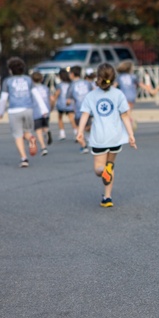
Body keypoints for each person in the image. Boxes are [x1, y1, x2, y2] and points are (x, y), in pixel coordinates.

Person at [76, 63, 137, 208]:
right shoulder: (118, 94)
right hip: (115, 137)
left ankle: (104, 171)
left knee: (99, 168)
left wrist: (79, 132)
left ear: (98, 78)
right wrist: (131, 134)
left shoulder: (91, 96)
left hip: (99, 138)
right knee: (111, 165)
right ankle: (107, 197)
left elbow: (85, 115)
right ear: (113, 78)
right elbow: (125, 116)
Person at [0, 57, 39, 167]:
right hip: (28, 109)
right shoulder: (28, 80)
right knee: (27, 132)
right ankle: (31, 138)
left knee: (18, 135)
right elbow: (36, 94)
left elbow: (3, 98)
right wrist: (43, 109)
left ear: (10, 70)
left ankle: (24, 158)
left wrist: (1, 112)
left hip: (14, 110)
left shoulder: (8, 81)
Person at [66, 65, 94, 154]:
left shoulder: (72, 85)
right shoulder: (86, 83)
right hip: (89, 108)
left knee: (79, 128)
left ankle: (84, 146)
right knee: (88, 125)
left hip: (79, 110)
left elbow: (68, 99)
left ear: (72, 74)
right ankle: (93, 137)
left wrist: (68, 103)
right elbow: (93, 91)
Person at [115, 60, 146, 130]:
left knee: (124, 112)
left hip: (123, 96)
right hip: (132, 96)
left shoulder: (119, 77)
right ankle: (130, 122)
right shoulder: (133, 76)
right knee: (127, 111)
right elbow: (141, 84)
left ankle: (130, 124)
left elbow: (114, 85)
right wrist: (150, 90)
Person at [30, 71, 52, 156]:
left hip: (36, 111)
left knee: (38, 130)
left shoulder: (32, 89)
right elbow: (50, 98)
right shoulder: (45, 88)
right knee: (45, 126)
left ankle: (43, 147)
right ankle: (48, 131)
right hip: (46, 110)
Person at [52, 68, 73, 141]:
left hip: (61, 103)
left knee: (60, 118)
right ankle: (76, 131)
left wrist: (53, 100)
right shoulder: (70, 84)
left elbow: (57, 94)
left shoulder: (59, 85)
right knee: (71, 118)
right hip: (69, 103)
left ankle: (62, 133)